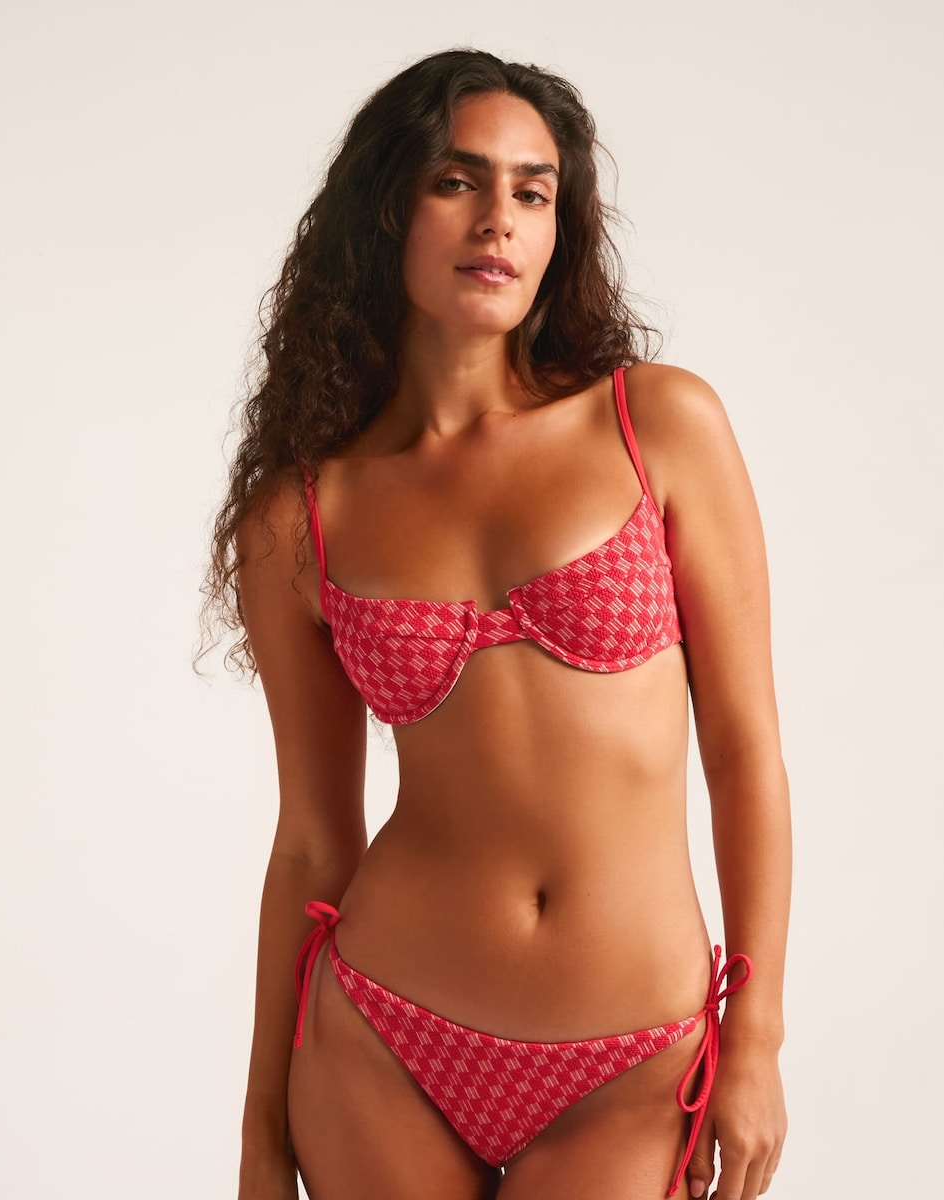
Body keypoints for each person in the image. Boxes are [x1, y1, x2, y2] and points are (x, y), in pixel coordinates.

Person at [201, 47, 791, 1200]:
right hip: (382, 1037)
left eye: (533, 191)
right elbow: (313, 838)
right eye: (456, 181)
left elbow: (745, 750)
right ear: (385, 211)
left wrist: (757, 1033)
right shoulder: (301, 520)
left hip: (637, 1057)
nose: (498, 221)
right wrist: (260, 1132)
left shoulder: (657, 427)